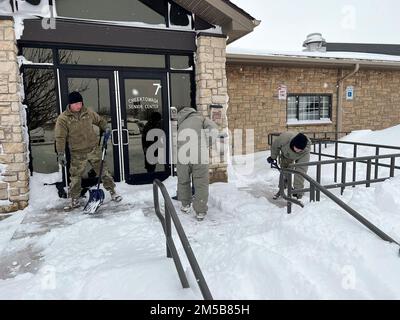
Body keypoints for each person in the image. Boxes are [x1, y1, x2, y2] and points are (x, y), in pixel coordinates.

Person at [55, 91, 122, 211]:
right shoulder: (63, 119)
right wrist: (60, 153)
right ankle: (74, 200)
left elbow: (100, 121)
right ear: (70, 104)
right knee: (75, 177)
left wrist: (106, 128)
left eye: (80, 103)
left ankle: (113, 192)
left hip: (93, 149)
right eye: (76, 104)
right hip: (77, 153)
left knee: (104, 172)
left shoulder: (88, 112)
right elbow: (60, 137)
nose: (78, 106)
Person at [177, 106, 218, 221]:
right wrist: (206, 143)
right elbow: (214, 129)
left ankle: (185, 205)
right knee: (201, 182)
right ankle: (200, 211)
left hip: (182, 155)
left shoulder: (181, 123)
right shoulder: (201, 119)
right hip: (199, 155)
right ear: (193, 111)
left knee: (183, 180)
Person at [267, 132, 311, 200]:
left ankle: (298, 192)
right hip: (286, 155)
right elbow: (275, 146)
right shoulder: (284, 138)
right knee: (284, 172)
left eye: (300, 149)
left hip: (301, 156)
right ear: (293, 143)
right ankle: (282, 188)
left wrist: (298, 190)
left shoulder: (306, 150)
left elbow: (301, 170)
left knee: (300, 172)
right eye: (297, 148)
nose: (298, 150)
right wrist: (273, 157)